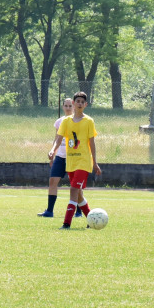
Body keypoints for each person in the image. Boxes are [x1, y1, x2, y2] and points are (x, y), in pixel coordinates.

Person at [48, 91, 102, 230]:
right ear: (73, 103)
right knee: (78, 195)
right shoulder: (66, 121)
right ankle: (92, 219)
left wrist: (95, 162)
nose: (79, 104)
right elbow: (59, 139)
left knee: (73, 190)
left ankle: (66, 223)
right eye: (77, 101)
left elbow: (92, 143)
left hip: (84, 162)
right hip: (71, 162)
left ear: (85, 105)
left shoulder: (89, 121)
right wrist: (53, 150)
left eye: (82, 102)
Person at [38, 98, 83, 218]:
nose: (68, 108)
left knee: (75, 185)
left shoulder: (78, 121)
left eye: (70, 106)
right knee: (52, 181)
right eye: (66, 106)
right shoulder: (59, 122)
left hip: (73, 157)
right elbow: (57, 139)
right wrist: (53, 153)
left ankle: (79, 211)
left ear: (74, 106)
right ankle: (49, 211)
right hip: (60, 157)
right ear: (63, 107)